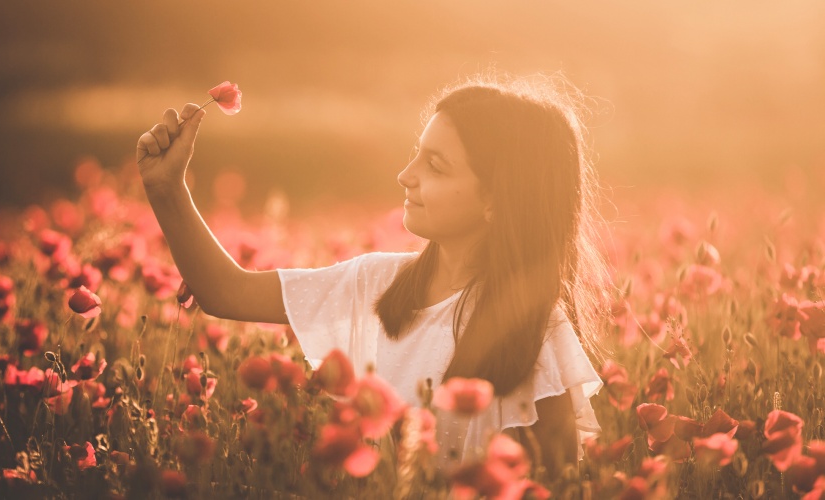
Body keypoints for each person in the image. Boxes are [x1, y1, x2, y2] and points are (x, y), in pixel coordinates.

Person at [135, 75, 612, 478]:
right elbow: (226, 291)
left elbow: (560, 481)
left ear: (496, 199)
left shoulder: (536, 332)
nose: (406, 174)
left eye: (435, 165)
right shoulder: (375, 283)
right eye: (416, 153)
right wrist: (166, 189)